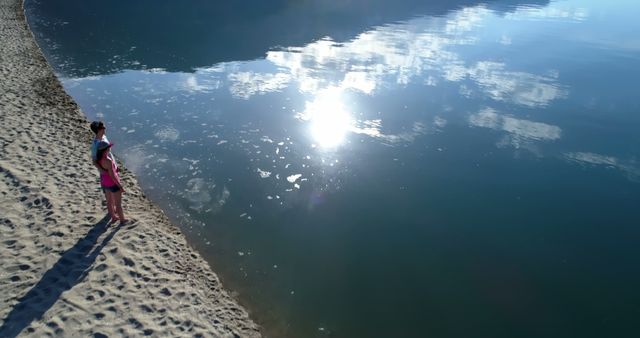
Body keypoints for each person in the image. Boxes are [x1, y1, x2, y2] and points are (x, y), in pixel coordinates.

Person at [96, 140, 127, 223]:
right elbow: (112, 175)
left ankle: (113, 217)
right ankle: (122, 219)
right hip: (113, 184)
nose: (109, 149)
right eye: (108, 148)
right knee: (118, 204)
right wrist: (120, 186)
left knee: (109, 201)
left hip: (105, 182)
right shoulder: (108, 161)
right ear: (105, 150)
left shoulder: (98, 159)